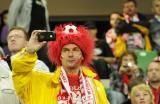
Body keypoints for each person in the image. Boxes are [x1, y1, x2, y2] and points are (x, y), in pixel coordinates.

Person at [11, 24, 110, 104]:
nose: (70, 54)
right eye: (66, 50)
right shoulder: (41, 81)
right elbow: (19, 73)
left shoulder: (96, 86)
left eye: (75, 50)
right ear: (60, 56)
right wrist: (29, 51)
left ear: (82, 55)